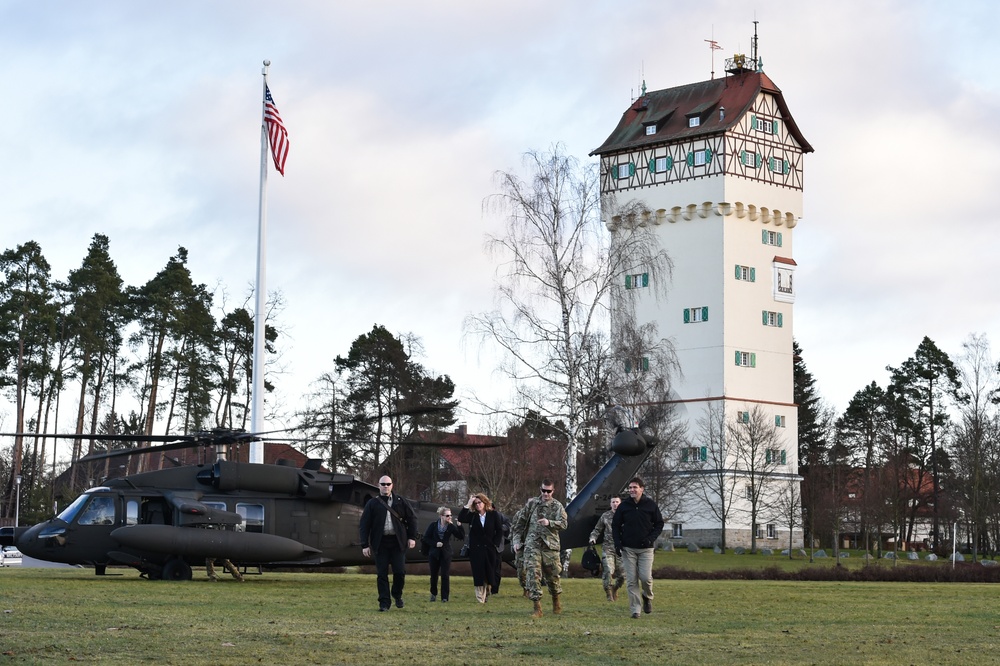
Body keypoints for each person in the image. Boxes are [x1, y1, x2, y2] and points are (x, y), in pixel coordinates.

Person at [358, 475, 417, 612]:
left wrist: (412, 537)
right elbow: (364, 525)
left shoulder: (401, 501)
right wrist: (364, 544)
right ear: (379, 485)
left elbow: (412, 519)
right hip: (381, 542)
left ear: (392, 485)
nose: (385, 486)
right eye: (383, 484)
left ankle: (397, 594)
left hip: (398, 542)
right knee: (382, 574)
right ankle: (384, 603)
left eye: (388, 484)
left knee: (400, 572)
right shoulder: (372, 503)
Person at [512, 479, 567, 618]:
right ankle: (537, 608)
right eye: (543, 490)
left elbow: (564, 524)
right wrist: (517, 541)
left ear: (553, 491)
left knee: (553, 576)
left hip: (550, 546)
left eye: (548, 491)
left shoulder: (557, 506)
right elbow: (519, 524)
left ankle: (556, 600)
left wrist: (550, 523)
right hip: (532, 545)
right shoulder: (532, 504)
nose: (545, 494)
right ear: (540, 489)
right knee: (532, 574)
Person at [612, 476, 664, 619]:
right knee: (631, 580)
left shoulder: (650, 505)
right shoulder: (624, 507)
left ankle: (647, 596)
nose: (632, 490)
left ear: (642, 489)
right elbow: (615, 525)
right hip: (628, 549)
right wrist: (617, 543)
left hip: (646, 549)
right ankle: (636, 610)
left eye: (635, 487)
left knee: (646, 578)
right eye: (630, 488)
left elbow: (659, 524)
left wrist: (650, 539)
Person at [457, 492, 503, 603]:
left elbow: (499, 531)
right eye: (476, 503)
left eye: (479, 502)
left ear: (484, 502)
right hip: (476, 550)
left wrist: (495, 543)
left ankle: (487, 591)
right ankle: (480, 599)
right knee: (478, 573)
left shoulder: (493, 515)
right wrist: (468, 504)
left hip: (489, 549)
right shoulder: (472, 516)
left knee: (489, 573)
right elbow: (461, 518)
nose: (478, 505)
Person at [422, 506, 464, 602]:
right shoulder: (433, 525)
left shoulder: (450, 526)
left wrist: (459, 525)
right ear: (441, 516)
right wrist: (435, 544)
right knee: (434, 575)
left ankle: (445, 597)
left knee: (445, 575)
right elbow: (426, 538)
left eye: (451, 515)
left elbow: (460, 536)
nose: (450, 517)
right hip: (434, 553)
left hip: (446, 553)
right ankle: (433, 593)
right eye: (447, 515)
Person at [589, 496, 626, 601]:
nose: (615, 504)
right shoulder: (605, 516)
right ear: (610, 504)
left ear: (620, 503)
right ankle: (609, 593)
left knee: (623, 575)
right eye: (613, 502)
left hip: (621, 549)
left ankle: (615, 588)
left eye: (617, 502)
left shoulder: (625, 515)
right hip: (608, 548)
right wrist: (593, 538)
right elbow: (597, 529)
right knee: (609, 570)